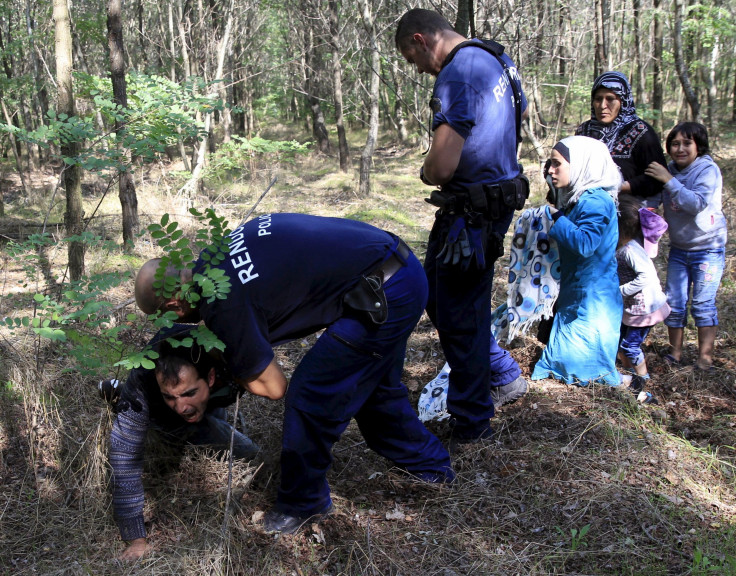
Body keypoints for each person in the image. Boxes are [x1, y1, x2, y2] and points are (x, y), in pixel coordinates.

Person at [134, 213, 454, 535]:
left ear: (175, 303)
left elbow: (273, 387)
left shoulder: (222, 302)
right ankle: (431, 468)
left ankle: (304, 502)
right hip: (396, 266)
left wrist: (232, 360)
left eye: (164, 317)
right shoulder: (217, 255)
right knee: (372, 390)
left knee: (311, 394)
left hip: (385, 293)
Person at [394, 8, 529, 442]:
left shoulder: (457, 72)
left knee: (457, 311)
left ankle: (472, 420)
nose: (417, 70)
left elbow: (443, 164)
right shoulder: (495, 59)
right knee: (436, 292)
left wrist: (426, 170)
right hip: (483, 206)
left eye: (412, 59)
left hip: (472, 214)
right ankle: (502, 371)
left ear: (421, 39)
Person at [106, 325, 260, 561]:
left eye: (188, 393)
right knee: (248, 453)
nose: (180, 406)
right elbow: (123, 453)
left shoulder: (234, 358)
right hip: (165, 420)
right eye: (170, 396)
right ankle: (124, 400)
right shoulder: (144, 380)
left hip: (214, 398)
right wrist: (136, 539)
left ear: (209, 376)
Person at [531, 136, 623, 386]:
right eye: (550, 163)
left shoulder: (595, 201)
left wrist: (556, 217)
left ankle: (626, 386)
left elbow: (585, 244)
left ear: (583, 164)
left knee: (583, 370)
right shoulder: (579, 196)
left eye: (557, 164)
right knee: (564, 363)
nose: (550, 170)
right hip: (578, 292)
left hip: (593, 299)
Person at [645, 122, 727, 371]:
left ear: (698, 146)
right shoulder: (668, 170)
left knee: (702, 304)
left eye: (686, 143)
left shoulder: (706, 170)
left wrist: (668, 180)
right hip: (680, 248)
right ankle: (675, 353)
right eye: (675, 144)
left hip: (708, 248)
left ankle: (705, 358)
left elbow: (696, 203)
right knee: (675, 302)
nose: (680, 149)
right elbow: (654, 199)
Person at [576, 71, 667, 208]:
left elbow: (657, 178)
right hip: (588, 209)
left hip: (628, 213)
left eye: (610, 99)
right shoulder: (584, 131)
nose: (602, 105)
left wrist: (619, 187)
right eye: (598, 99)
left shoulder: (641, 132)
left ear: (623, 101)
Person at [615, 195, 670, 403]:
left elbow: (646, 277)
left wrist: (622, 291)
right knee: (621, 342)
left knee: (630, 346)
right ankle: (628, 372)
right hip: (635, 307)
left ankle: (642, 381)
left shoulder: (629, 250)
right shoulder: (626, 246)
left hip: (644, 309)